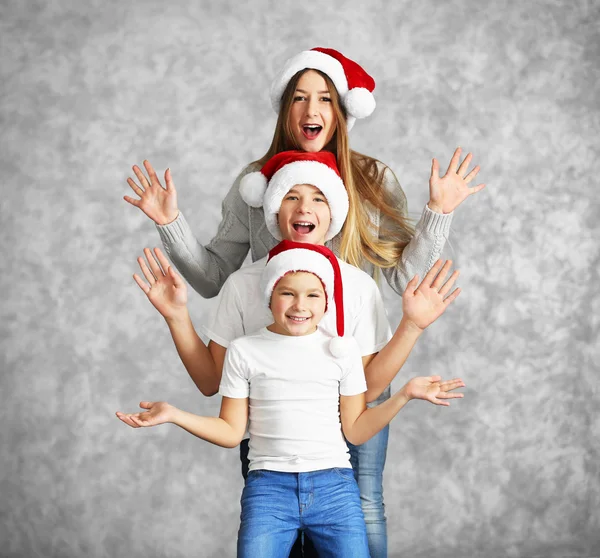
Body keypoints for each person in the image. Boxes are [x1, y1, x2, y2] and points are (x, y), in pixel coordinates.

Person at [131, 150, 463, 556]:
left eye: (319, 198)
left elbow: (364, 396)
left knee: (367, 508)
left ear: (335, 212)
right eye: (291, 195)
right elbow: (210, 383)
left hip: (334, 464)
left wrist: (411, 329)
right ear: (272, 208)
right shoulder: (242, 287)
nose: (304, 207)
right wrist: (177, 316)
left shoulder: (358, 288)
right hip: (270, 465)